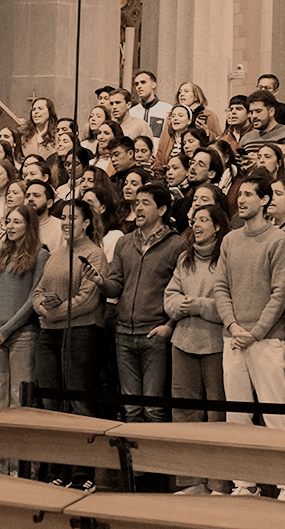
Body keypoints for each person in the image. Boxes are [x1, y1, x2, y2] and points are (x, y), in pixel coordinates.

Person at [209, 171, 285, 499]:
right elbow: (220, 286)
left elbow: (281, 292)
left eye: (249, 194)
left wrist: (256, 332)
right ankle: (245, 483)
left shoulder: (279, 241)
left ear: (265, 200)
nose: (241, 199)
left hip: (268, 339)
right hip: (233, 338)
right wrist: (233, 326)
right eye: (240, 194)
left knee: (277, 414)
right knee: (237, 415)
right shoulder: (230, 240)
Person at [32, 199, 108, 488]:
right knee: (52, 402)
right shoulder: (55, 254)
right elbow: (39, 290)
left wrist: (52, 312)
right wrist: (41, 306)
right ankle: (56, 471)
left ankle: (83, 474)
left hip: (80, 333)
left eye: (72, 217)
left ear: (87, 222)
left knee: (79, 402)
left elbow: (88, 299)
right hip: (49, 334)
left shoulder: (94, 254)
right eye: (62, 217)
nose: (65, 222)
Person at [105, 181, 186, 424]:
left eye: (145, 203)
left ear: (162, 210)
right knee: (130, 409)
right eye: (137, 202)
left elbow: (182, 291)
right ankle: (131, 462)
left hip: (155, 334)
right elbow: (115, 285)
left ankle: (152, 462)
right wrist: (99, 281)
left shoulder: (177, 245)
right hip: (123, 333)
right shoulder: (124, 242)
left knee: (153, 409)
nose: (138, 208)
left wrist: (169, 325)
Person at [164, 201, 230, 495]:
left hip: (216, 344)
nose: (197, 225)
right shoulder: (184, 259)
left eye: (204, 220)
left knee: (217, 417)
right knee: (184, 415)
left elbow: (229, 306)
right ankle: (190, 481)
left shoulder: (226, 259)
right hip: (183, 342)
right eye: (195, 220)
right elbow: (170, 296)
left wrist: (199, 306)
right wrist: (179, 305)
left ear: (217, 226)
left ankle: (218, 482)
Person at [0, 205, 45, 471]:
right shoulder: (1, 254)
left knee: (20, 401)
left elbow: (32, 300)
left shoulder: (40, 256)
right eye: (8, 221)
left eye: (16, 222)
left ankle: (21, 466)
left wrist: (6, 330)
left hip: (21, 335)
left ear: (29, 226)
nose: (10, 226)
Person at [129, 69, 172, 138]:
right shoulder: (132, 112)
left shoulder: (167, 109)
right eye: (136, 84)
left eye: (143, 82)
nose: (139, 86)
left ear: (153, 84)